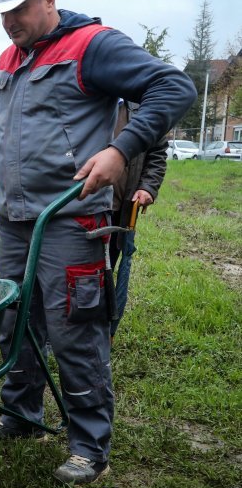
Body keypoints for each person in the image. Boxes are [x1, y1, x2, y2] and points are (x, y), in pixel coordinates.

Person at [0, 0, 196, 484]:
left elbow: (174, 87)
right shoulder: (10, 56)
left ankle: (89, 446)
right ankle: (21, 414)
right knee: (17, 322)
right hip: (15, 220)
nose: (9, 21)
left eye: (19, 8)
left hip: (71, 217)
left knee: (76, 328)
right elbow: (3, 125)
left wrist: (121, 149)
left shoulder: (93, 45)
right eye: (1, 12)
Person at [109, 99, 167, 339]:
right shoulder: (87, 98)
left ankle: (105, 329)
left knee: (107, 269)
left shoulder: (144, 107)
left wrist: (148, 187)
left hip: (119, 210)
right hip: (78, 207)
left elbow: (157, 154)